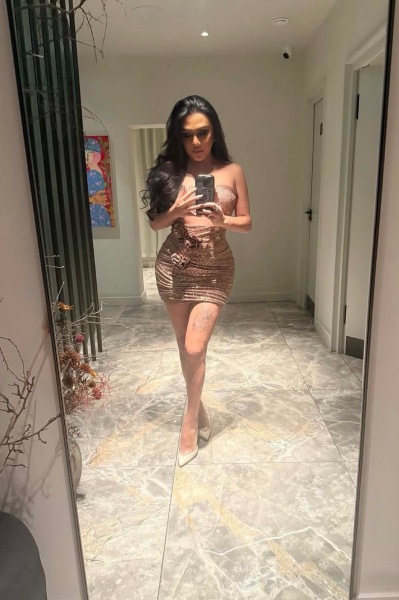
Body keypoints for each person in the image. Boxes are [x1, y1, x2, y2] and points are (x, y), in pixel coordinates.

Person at [142, 95, 252, 466]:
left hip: (216, 269)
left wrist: (223, 220)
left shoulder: (232, 171)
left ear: (214, 131)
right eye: (187, 135)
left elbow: (247, 222)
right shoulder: (170, 172)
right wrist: (175, 210)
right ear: (179, 136)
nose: (196, 141)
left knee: (193, 348)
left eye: (203, 132)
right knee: (184, 345)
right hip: (174, 268)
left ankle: (188, 424)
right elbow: (155, 224)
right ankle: (199, 409)